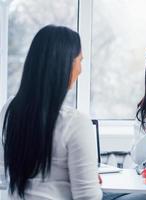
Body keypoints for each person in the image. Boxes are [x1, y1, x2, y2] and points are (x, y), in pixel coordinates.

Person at [0, 25, 102, 199]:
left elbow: (3, 175)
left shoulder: (9, 110)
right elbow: (88, 197)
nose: (81, 69)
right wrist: (89, 182)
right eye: (80, 60)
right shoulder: (76, 123)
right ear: (65, 64)